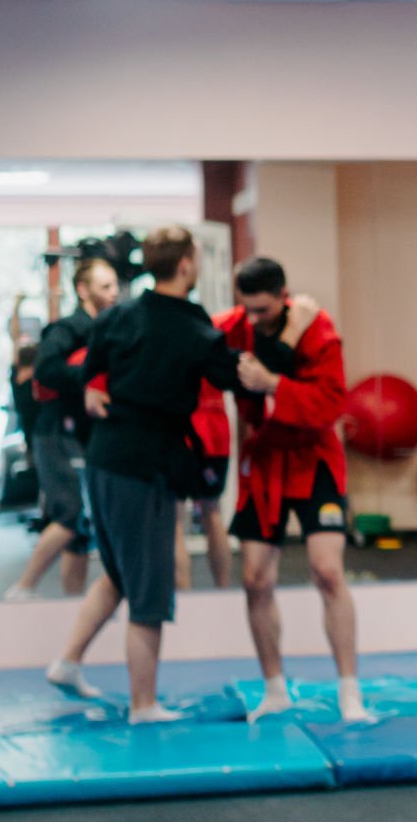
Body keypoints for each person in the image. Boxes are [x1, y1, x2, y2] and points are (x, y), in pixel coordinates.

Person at [44, 227, 248, 723]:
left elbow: (90, 363)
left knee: (119, 573)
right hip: (143, 467)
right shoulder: (192, 324)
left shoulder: (120, 314)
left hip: (104, 459)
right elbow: (230, 375)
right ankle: (143, 704)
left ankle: (67, 662)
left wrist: (91, 386)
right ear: (186, 265)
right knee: (150, 590)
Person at [218, 257, 372, 723]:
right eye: (247, 308)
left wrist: (273, 385)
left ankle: (350, 691)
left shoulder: (319, 330)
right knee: (255, 580)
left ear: (283, 297)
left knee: (327, 571)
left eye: (263, 310)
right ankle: (274, 689)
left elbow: (330, 404)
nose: (254, 318)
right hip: (265, 459)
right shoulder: (235, 326)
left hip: (314, 456)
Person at [6, 259, 120, 599]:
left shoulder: (110, 329)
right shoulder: (67, 330)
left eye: (115, 285)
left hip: (85, 435)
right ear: (83, 290)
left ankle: (74, 604)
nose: (114, 293)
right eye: (105, 287)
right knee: (70, 515)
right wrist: (90, 380)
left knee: (82, 528)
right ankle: (22, 588)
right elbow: (45, 370)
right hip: (57, 433)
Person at [174, 381, 233, 591]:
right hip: (214, 430)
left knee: (175, 520)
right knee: (212, 512)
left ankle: (184, 594)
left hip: (182, 427)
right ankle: (223, 591)